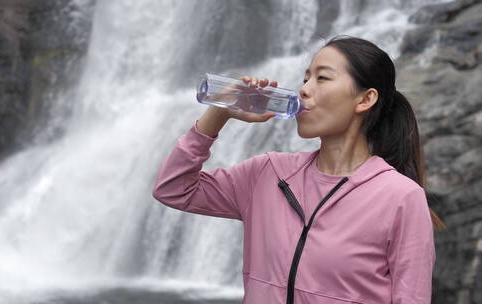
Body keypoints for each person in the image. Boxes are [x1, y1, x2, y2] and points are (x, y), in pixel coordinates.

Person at [152, 35, 446, 304]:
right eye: (305, 78)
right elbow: (173, 189)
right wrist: (220, 112)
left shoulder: (400, 197)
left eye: (322, 78)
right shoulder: (267, 173)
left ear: (365, 99)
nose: (304, 90)